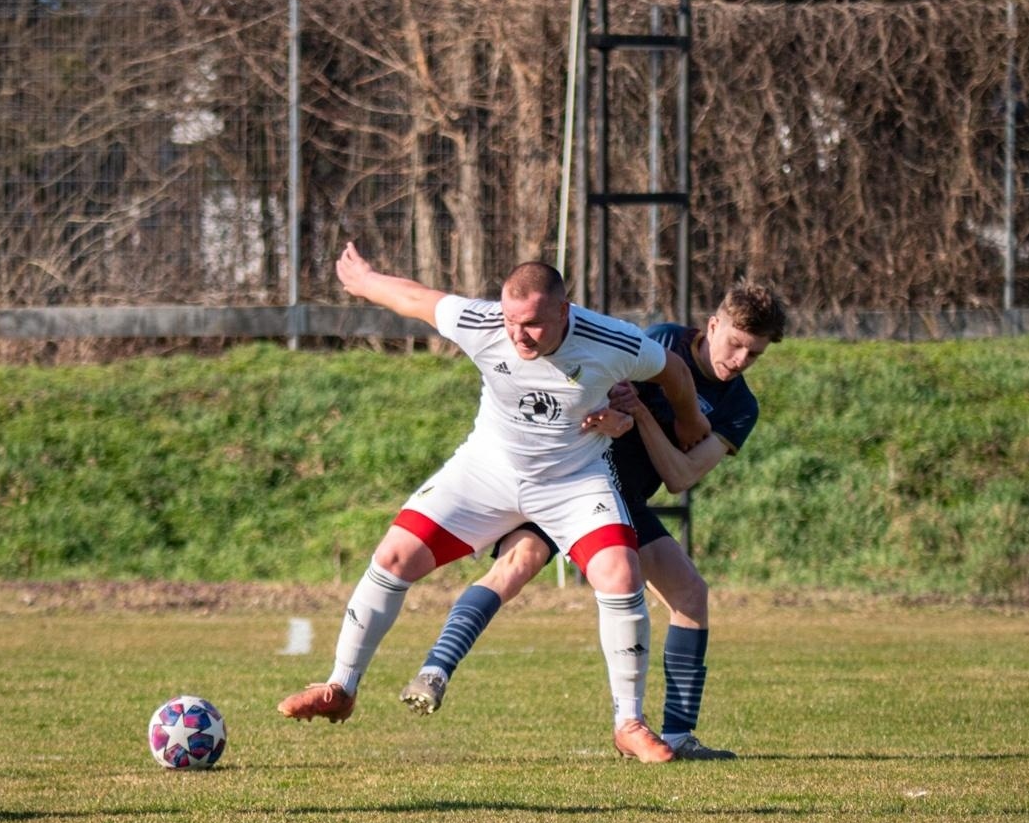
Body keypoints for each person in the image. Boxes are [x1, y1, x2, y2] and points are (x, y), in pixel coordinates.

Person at [277, 241, 712, 762]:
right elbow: (416, 299)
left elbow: (674, 372)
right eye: (510, 320)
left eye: (532, 324)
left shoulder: (611, 340)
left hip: (573, 479)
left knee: (620, 573)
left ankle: (629, 724)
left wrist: (689, 421)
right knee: (393, 556)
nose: (517, 334)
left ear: (564, 311)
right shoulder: (484, 324)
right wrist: (366, 280)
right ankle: (341, 687)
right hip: (489, 470)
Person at [398, 284, 785, 761]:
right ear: (713, 325)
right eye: (736, 343)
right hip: (576, 478)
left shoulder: (740, 406)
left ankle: (679, 735)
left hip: (626, 499)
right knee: (518, 563)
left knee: (690, 594)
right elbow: (593, 386)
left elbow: (681, 476)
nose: (741, 359)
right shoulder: (662, 343)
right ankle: (435, 671)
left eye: (755, 353)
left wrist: (640, 415)